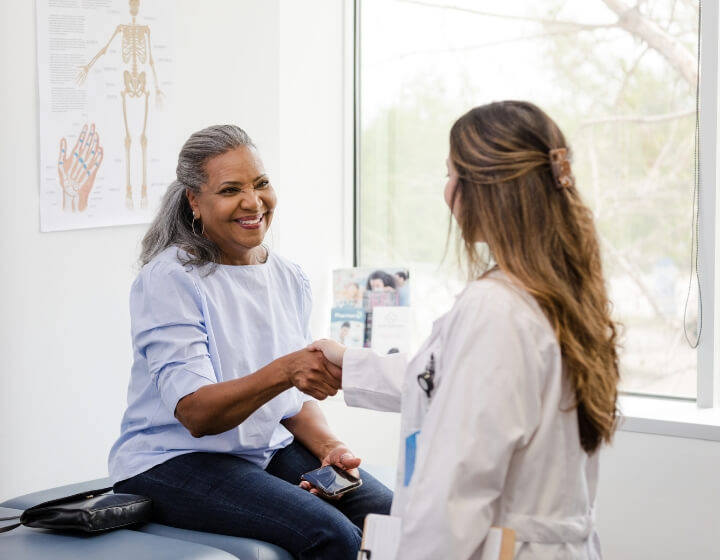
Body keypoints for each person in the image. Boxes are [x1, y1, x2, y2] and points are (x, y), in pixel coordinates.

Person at [312, 101, 620, 559]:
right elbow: (449, 383)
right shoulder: (553, 291)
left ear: (488, 191)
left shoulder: (496, 309)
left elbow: (453, 499)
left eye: (452, 175)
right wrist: (351, 363)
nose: (447, 190)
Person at [108, 124, 392, 559]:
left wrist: (329, 446)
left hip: (261, 450)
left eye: (261, 184)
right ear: (194, 202)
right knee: (330, 535)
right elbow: (196, 413)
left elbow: (292, 404)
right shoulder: (170, 280)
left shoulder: (287, 277)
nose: (252, 202)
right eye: (230, 189)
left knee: (389, 517)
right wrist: (287, 369)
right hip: (171, 460)